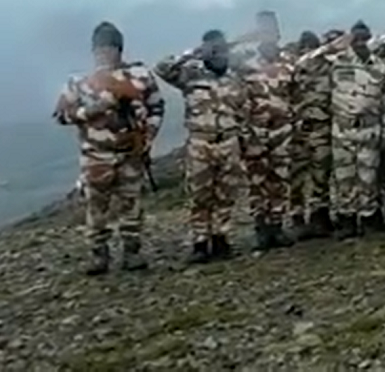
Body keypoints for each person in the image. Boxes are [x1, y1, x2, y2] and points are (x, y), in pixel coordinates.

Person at [53, 21, 165, 275]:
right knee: (96, 208)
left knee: (131, 205)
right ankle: (98, 254)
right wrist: (91, 111)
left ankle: (131, 252)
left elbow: (157, 106)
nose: (105, 53)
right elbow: (61, 116)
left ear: (119, 50)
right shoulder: (79, 82)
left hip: (130, 154)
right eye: (100, 48)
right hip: (96, 156)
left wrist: (149, 135)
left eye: (110, 48)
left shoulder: (140, 76)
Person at [154, 30, 248, 264]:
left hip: (228, 140)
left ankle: (221, 238)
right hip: (200, 142)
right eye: (212, 49)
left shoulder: (234, 77)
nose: (217, 54)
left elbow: (243, 109)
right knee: (200, 195)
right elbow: (161, 68)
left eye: (220, 49)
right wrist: (193, 53)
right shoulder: (191, 76)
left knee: (225, 194)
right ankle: (199, 241)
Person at [324, 21, 385, 238]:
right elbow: (308, 63)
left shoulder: (380, 68)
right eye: (357, 39)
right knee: (344, 178)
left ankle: (368, 217)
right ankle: (347, 220)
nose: (361, 43)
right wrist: (334, 45)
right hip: (342, 130)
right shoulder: (337, 63)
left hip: (369, 130)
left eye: (365, 39)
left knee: (368, 178)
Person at [239, 41, 298, 250]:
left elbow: (294, 94)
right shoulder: (246, 66)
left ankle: (277, 225)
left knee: (279, 179)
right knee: (257, 181)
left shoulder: (289, 65)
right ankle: (261, 228)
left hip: (281, 130)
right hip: (256, 132)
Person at [289, 30, 334, 240]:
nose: (307, 50)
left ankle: (319, 215)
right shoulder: (292, 68)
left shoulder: (328, 69)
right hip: (297, 129)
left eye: (311, 46)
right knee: (295, 177)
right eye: (304, 46)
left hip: (321, 127)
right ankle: (297, 217)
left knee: (321, 175)